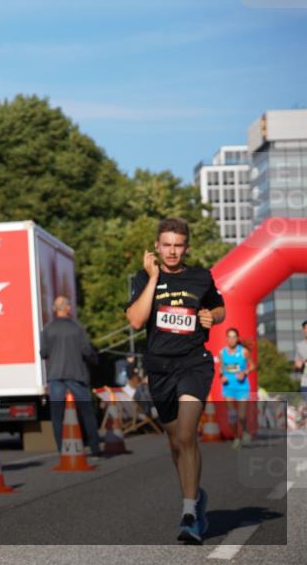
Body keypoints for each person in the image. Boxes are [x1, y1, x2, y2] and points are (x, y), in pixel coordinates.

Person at [125, 218, 225, 545]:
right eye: (166, 244)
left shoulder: (200, 277)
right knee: (174, 443)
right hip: (160, 370)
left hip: (194, 364)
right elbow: (137, 320)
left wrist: (213, 317)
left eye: (178, 245)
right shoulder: (143, 278)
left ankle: (189, 513)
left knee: (186, 435)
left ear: (186, 248)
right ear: (156, 246)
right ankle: (195, 496)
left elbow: (219, 308)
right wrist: (154, 278)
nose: (172, 251)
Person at [39, 295, 101, 459]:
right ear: (68, 308)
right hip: (76, 375)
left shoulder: (48, 329)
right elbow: (87, 350)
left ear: (54, 309)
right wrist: (95, 359)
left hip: (56, 376)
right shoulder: (77, 328)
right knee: (87, 412)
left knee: (57, 415)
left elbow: (43, 353)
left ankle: (63, 451)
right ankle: (94, 448)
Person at [216, 328, 256, 448]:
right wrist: (222, 376)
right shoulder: (222, 353)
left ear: (237, 339)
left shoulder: (243, 352)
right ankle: (236, 437)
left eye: (234, 337)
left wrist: (245, 372)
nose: (231, 339)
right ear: (226, 339)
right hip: (228, 387)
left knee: (241, 416)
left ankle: (244, 430)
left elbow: (252, 365)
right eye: (229, 336)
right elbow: (220, 368)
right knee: (232, 415)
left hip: (242, 387)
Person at [296, 319, 307, 400]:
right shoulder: (299, 345)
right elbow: (297, 364)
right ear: (303, 330)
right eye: (306, 328)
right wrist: (300, 363)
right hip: (305, 382)